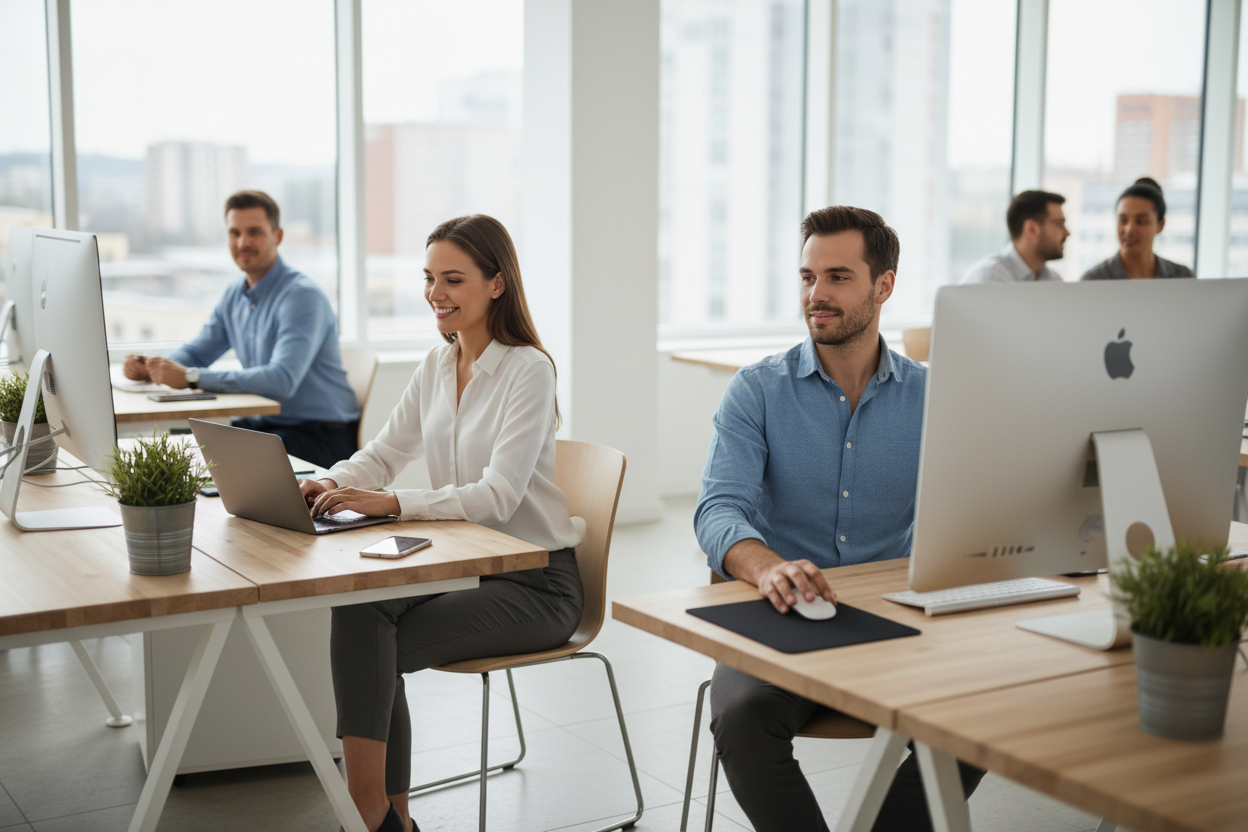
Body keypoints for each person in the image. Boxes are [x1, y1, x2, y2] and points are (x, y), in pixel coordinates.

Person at [695, 206, 984, 832]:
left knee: (982, 713)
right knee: (743, 715)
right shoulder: (757, 390)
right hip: (782, 616)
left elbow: (974, 508)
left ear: (884, 286)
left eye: (837, 277)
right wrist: (768, 567)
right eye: (806, 277)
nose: (815, 295)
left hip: (894, 615)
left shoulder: (932, 398)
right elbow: (719, 508)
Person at [298, 215, 583, 832]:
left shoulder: (528, 369)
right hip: (466, 566)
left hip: (537, 583)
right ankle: (387, 813)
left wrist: (393, 504)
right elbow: (382, 453)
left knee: (373, 650)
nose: (436, 293)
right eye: (429, 278)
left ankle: (372, 817)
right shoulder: (436, 363)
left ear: (497, 284)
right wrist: (331, 479)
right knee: (360, 606)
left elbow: (499, 496)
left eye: (453, 279)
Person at [122, 190, 359, 467]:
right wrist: (153, 367)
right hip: (270, 426)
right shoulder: (235, 294)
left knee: (213, 463)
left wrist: (191, 377)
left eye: (254, 232)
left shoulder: (301, 297)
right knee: (176, 447)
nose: (243, 242)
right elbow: (198, 351)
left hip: (320, 435)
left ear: (278, 236)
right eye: (234, 233)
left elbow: (280, 380)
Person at [1081, 177, 1193, 280]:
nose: (1129, 230)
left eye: (1141, 222)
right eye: (1123, 221)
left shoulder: (1182, 277)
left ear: (1160, 224)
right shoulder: (1094, 280)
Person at [961, 190, 1069, 283]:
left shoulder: (1053, 279)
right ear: (1032, 229)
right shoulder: (991, 277)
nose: (1067, 233)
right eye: (1059, 224)